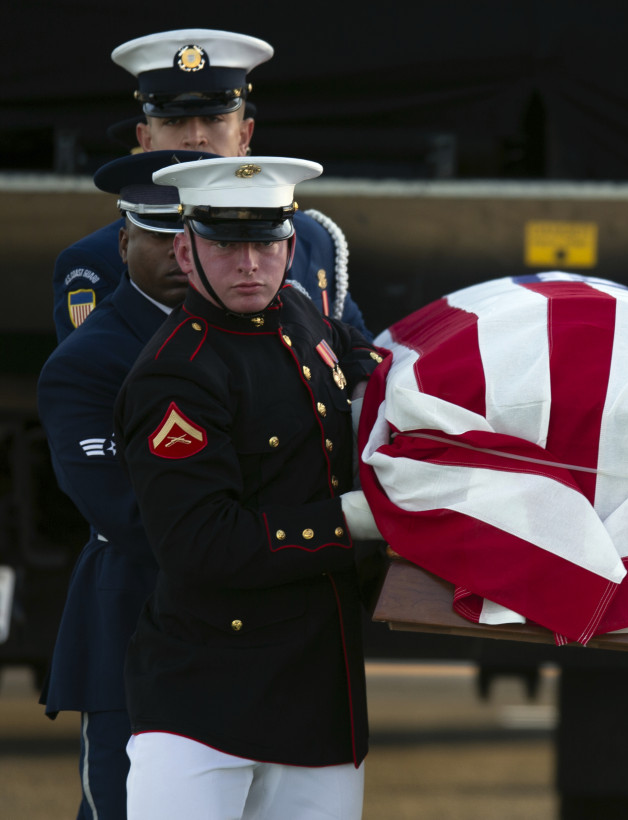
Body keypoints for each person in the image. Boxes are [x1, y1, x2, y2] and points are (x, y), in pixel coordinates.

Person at [112, 155, 386, 820]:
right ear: (186, 248)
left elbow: (371, 365)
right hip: (205, 707)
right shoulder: (175, 375)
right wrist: (351, 520)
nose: (249, 266)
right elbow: (201, 544)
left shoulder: (302, 315)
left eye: (266, 245)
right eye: (225, 245)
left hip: (318, 699)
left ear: (292, 247)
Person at [37, 149, 215, 819]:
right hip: (135, 624)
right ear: (122, 239)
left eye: (191, 233)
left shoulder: (252, 333)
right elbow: (127, 511)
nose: (178, 251)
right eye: (158, 232)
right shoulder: (88, 360)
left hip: (247, 640)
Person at [52, 28, 370, 342]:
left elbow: (356, 352)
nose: (195, 137)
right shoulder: (98, 259)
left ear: (244, 136)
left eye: (214, 119)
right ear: (146, 140)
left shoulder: (312, 239)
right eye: (173, 121)